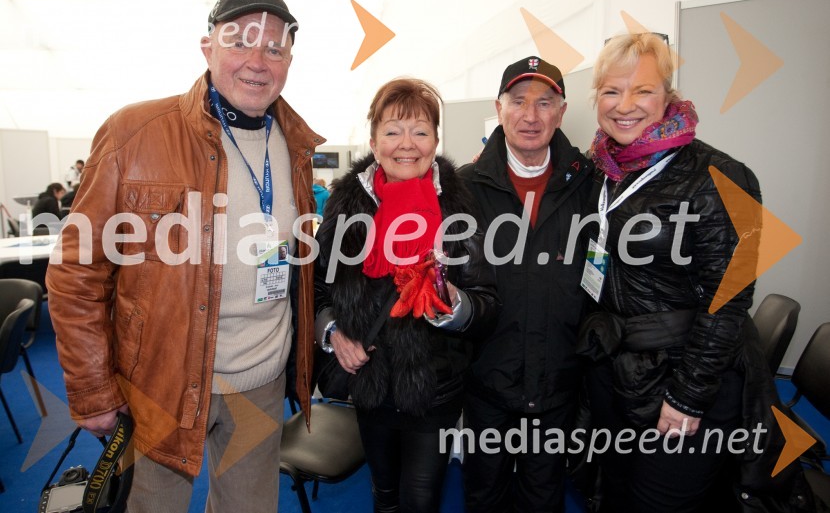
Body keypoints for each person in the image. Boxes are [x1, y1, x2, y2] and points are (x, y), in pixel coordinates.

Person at [46, 0, 324, 513]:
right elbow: (77, 269)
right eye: (239, 41)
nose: (257, 62)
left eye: (275, 48)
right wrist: (93, 388)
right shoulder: (136, 133)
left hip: (260, 379)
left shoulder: (297, 146)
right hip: (159, 383)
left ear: (289, 60)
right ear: (207, 47)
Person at [578, 33, 805, 512]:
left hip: (682, 376)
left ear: (669, 96)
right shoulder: (602, 170)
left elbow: (729, 299)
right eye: (611, 91)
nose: (625, 106)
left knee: (662, 501)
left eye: (643, 90)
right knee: (613, 491)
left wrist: (688, 397)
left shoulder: (723, 175)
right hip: (616, 370)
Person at [314, 78, 500, 512]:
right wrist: (334, 333)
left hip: (434, 385)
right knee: (384, 495)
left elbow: (486, 304)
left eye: (420, 130)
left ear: (436, 140)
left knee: (420, 500)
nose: (406, 144)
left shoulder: (458, 207)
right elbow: (318, 288)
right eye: (393, 130)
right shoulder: (347, 205)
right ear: (375, 140)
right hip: (370, 382)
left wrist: (452, 303)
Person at [458, 57, 594, 512]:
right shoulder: (463, 188)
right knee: (483, 495)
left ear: (561, 110)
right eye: (518, 102)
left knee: (543, 498)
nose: (530, 116)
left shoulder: (591, 185)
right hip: (487, 382)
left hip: (558, 381)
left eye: (544, 103)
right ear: (499, 109)